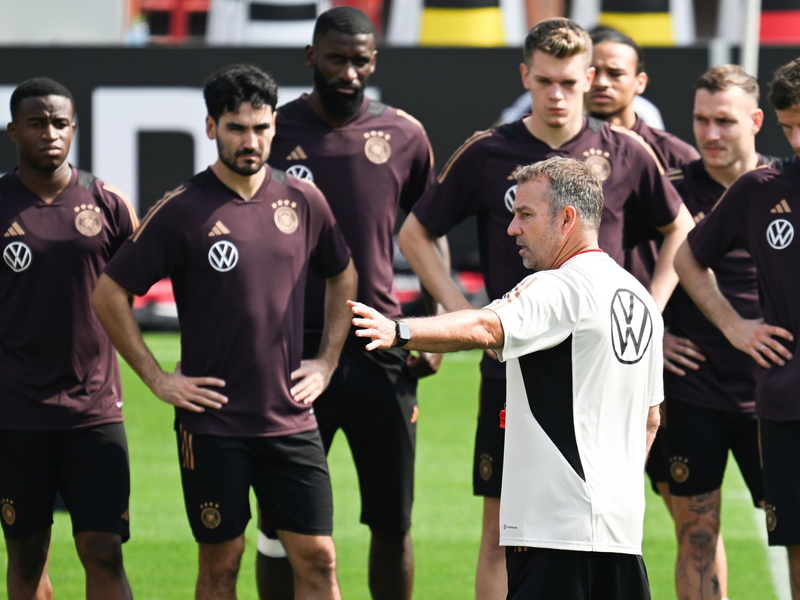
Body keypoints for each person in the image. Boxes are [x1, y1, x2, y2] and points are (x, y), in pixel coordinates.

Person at [397, 17, 692, 599]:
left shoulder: (626, 149)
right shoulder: (490, 151)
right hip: (511, 357)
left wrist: (650, 310)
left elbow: (679, 226)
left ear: (589, 79)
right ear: (526, 76)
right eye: (546, 81)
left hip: (597, 365)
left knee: (584, 524)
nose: (557, 95)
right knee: (504, 528)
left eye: (570, 82)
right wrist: (462, 307)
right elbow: (416, 233)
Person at [91, 64, 357, 600]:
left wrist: (326, 360)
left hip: (289, 418)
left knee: (320, 559)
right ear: (211, 127)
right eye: (236, 127)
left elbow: (343, 273)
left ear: (275, 127)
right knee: (221, 563)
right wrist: (158, 380)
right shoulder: (182, 208)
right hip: (212, 425)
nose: (250, 140)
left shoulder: (303, 200)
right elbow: (107, 295)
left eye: (260, 127)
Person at [353, 156, 663, 600]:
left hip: (554, 535)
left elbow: (485, 326)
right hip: (622, 534)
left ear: (567, 219)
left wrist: (399, 331)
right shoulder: (642, 299)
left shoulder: (558, 286)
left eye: (525, 215)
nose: (511, 228)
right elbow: (650, 420)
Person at [260, 8, 441, 600]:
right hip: (290, 349)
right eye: (335, 58)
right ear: (311, 58)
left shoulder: (406, 135)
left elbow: (429, 228)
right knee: (277, 527)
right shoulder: (271, 134)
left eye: (359, 59)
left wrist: (436, 323)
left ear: (374, 61)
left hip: (377, 343)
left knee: (392, 523)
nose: (347, 70)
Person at [0, 78, 137, 600]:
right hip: (16, 413)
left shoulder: (107, 201)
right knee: (27, 553)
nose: (50, 133)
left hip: (94, 411)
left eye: (60, 123)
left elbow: (151, 276)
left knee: (103, 548)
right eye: (37, 123)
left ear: (74, 129)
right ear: (14, 130)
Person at [674, 58, 800, 600]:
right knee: (788, 543)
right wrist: (735, 326)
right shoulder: (759, 189)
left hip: (763, 399)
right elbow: (685, 259)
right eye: (789, 125)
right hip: (772, 399)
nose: (796, 137)